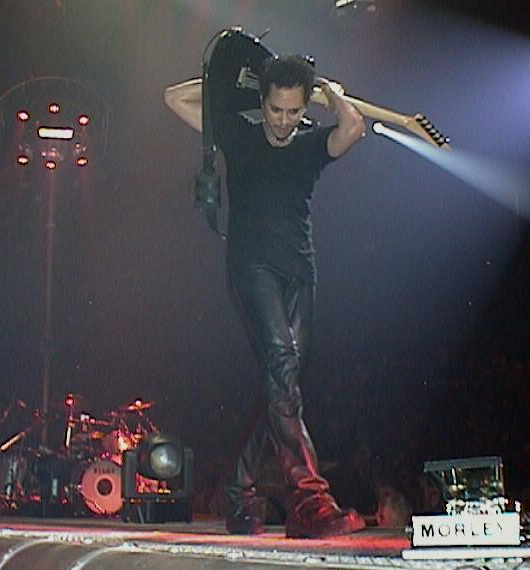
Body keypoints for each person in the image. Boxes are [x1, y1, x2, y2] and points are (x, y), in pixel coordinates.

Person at [164, 53, 366, 538]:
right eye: (275, 109)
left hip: (300, 271)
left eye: (294, 110)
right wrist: (232, 84)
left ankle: (236, 490)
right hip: (252, 269)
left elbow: (354, 127)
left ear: (305, 108)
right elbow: (175, 98)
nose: (282, 120)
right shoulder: (241, 134)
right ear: (263, 102)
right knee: (282, 372)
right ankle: (310, 501)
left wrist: (331, 93)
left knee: (283, 388)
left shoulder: (312, 144)